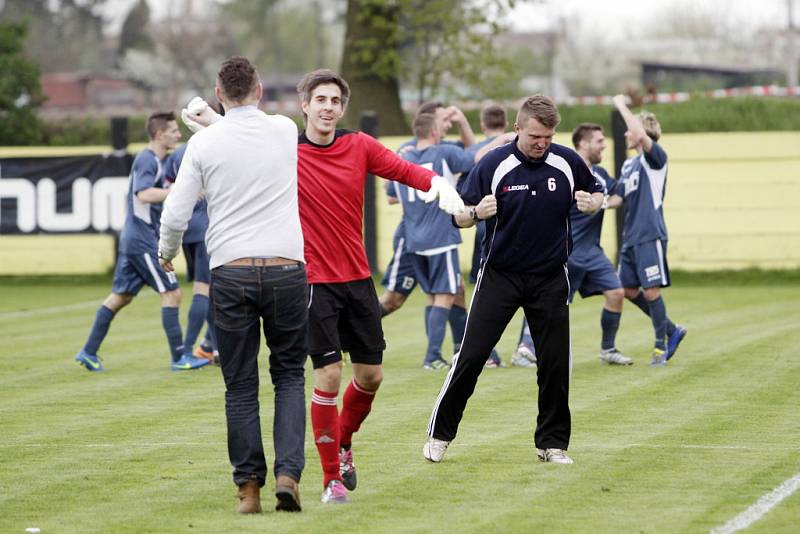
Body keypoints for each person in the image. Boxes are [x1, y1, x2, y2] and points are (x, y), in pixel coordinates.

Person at [292, 70, 463, 504]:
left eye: (335, 100)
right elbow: (246, 150)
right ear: (305, 106)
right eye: (321, 99)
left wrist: (438, 184)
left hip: (357, 278)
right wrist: (214, 124)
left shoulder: (359, 145)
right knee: (328, 376)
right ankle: (331, 479)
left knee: (370, 376)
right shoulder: (286, 151)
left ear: (342, 108)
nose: (328, 107)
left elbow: (404, 170)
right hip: (313, 281)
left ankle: (344, 443)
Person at [160, 56, 307, 514]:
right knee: (288, 376)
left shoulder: (203, 145)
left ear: (219, 93)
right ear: (260, 90)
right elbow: (249, 132)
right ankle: (288, 474)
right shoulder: (284, 130)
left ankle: (249, 489)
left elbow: (176, 213)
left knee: (240, 385)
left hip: (232, 269)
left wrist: (166, 252)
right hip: (286, 266)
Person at [423, 94, 604, 466]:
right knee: (471, 357)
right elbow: (458, 215)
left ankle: (552, 444)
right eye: (535, 136)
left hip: (551, 276)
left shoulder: (567, 161)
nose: (542, 144)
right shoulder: (494, 163)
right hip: (500, 275)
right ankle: (440, 435)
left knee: (554, 363)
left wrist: (594, 203)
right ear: (517, 129)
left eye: (548, 137)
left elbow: (598, 191)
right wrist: (475, 212)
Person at [73, 112, 209, 373]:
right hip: (142, 239)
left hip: (134, 238)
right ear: (159, 134)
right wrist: (177, 193)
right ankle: (180, 357)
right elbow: (144, 194)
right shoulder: (147, 159)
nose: (177, 135)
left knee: (120, 297)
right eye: (173, 131)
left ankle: (88, 351)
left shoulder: (160, 160)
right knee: (172, 293)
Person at [607, 95, 687, 366]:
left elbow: (639, 134)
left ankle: (659, 347)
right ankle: (671, 329)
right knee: (628, 289)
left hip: (650, 234)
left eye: (631, 128)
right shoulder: (629, 165)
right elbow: (618, 197)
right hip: (630, 237)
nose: (627, 133)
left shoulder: (656, 160)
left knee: (651, 291)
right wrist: (594, 204)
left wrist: (620, 105)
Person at [393, 113, 475, 369]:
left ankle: (442, 353)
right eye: (441, 128)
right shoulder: (443, 153)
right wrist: (502, 139)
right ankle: (432, 357)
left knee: (432, 297)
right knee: (447, 295)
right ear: (433, 132)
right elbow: (475, 157)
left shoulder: (403, 159)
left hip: (414, 239)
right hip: (441, 237)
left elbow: (390, 196)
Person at [162, 143, 217, 364]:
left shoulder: (179, 152)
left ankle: (213, 348)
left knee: (209, 290)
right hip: (208, 227)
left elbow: (168, 185)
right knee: (204, 289)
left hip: (186, 228)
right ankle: (186, 351)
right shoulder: (215, 145)